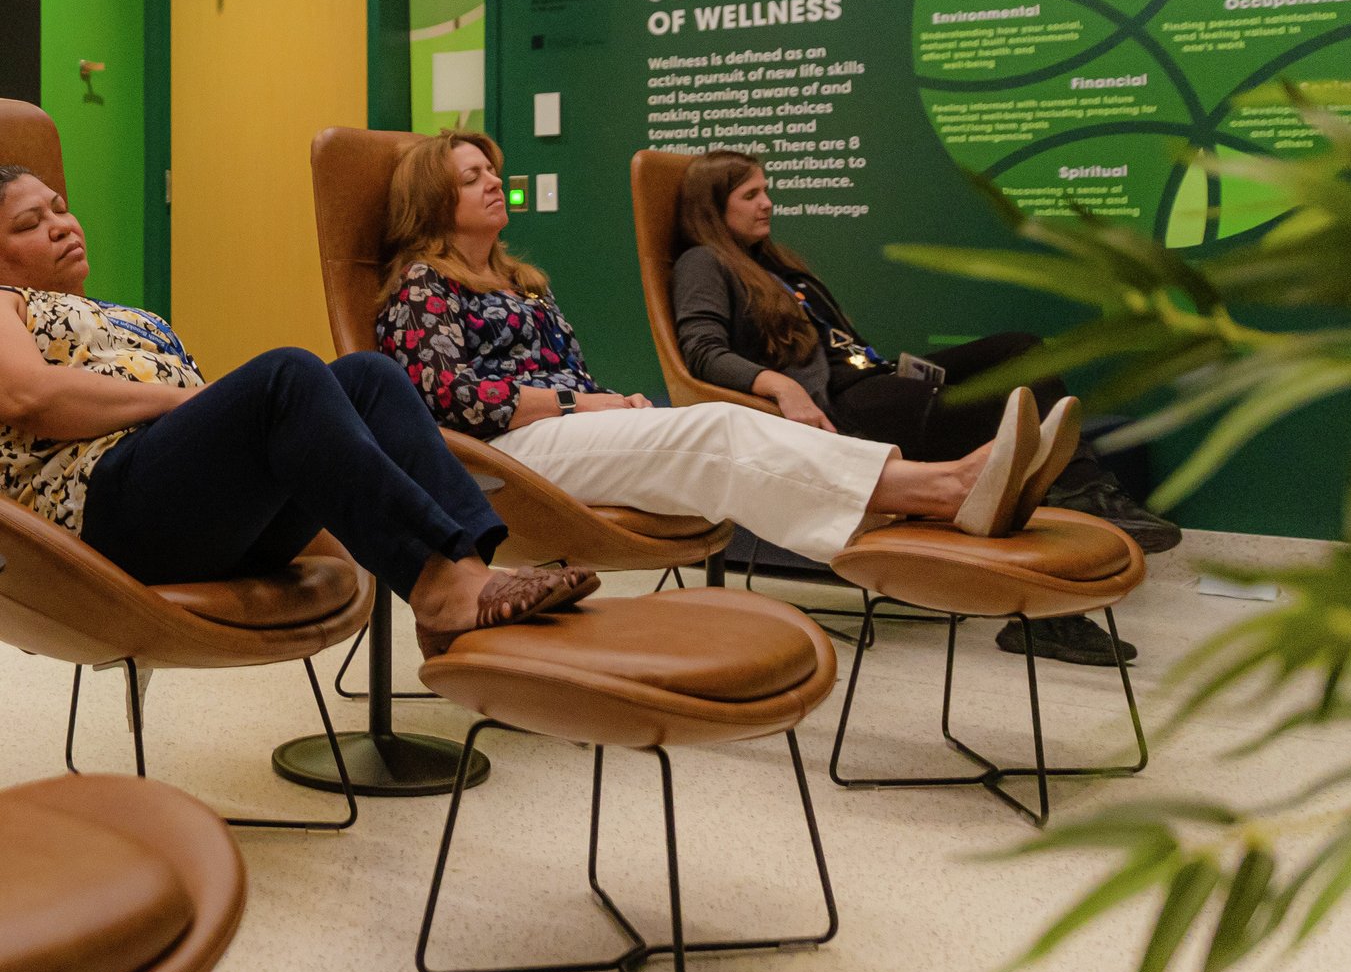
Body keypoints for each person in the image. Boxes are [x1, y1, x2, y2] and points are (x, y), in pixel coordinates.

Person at [373, 132, 1075, 569]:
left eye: (492, 170)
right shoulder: (421, 284)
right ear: (434, 201)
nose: (495, 181)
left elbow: (574, 377)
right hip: (498, 458)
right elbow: (452, 401)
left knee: (720, 438)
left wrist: (604, 401)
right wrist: (584, 401)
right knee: (723, 428)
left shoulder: (526, 281)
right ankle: (946, 489)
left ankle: (938, 494)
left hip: (565, 433)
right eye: (471, 177)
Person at [0, 164, 595, 659]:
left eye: (59, 208)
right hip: (104, 516)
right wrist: (187, 400)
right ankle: (442, 590)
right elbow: (28, 397)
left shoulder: (124, 314)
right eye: (30, 223)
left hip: (190, 511)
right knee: (288, 373)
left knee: (369, 375)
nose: (60, 226)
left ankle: (463, 574)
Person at [671, 149, 1181, 667]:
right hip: (842, 409)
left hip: (877, 381)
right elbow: (701, 353)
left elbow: (842, 346)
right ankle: (1054, 589)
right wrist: (782, 387)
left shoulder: (775, 265)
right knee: (999, 411)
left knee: (1019, 351)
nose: (768, 203)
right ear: (714, 208)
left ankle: (1083, 502)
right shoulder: (703, 263)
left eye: (766, 190)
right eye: (751, 195)